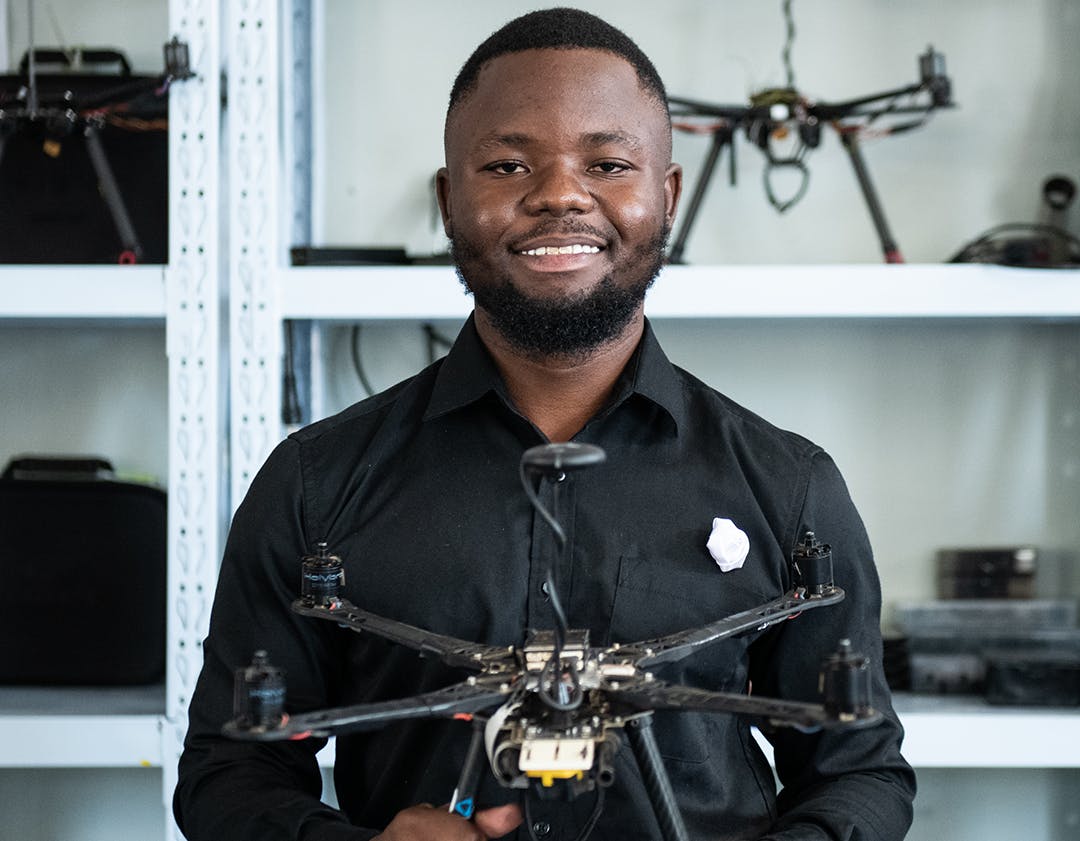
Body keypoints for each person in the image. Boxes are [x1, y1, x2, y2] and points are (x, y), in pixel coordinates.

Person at [174, 7, 916, 840]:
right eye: (507, 163)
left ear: (664, 197)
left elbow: (860, 774)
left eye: (607, 161)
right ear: (451, 202)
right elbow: (228, 772)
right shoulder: (316, 486)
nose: (560, 194)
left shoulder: (787, 488)